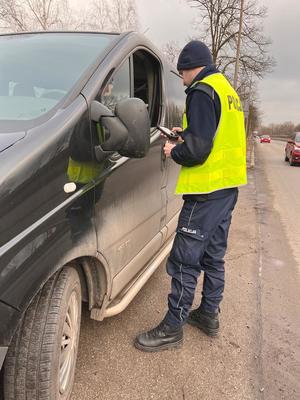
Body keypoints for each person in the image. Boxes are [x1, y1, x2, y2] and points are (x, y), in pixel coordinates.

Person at [134, 40, 247, 352]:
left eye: (181, 72)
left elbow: (197, 151)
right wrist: (184, 134)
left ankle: (173, 327)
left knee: (185, 259)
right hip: (227, 190)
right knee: (213, 255)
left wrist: (174, 149)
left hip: (204, 193)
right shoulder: (227, 90)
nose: (181, 78)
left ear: (188, 67)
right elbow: (214, 135)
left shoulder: (200, 90)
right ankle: (208, 314)